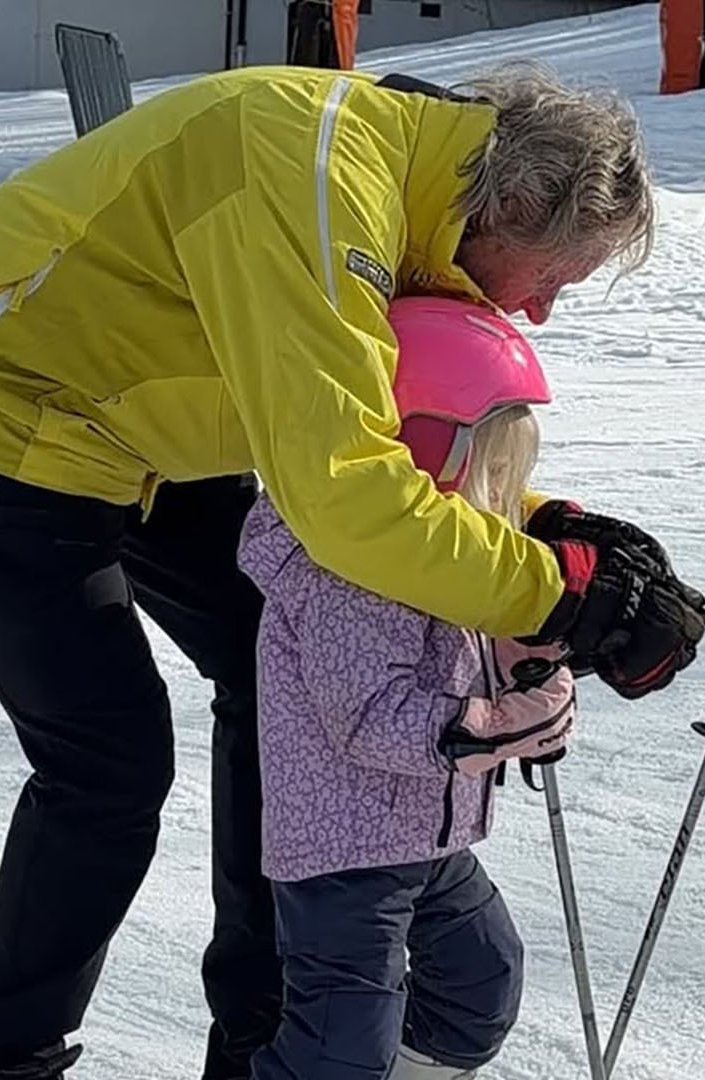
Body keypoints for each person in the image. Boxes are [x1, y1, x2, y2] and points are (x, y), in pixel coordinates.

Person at [0, 59, 705, 1080]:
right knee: (107, 765)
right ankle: (4, 1063)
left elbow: (389, 443)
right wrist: (558, 595)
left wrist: (550, 532)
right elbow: (348, 495)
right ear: (515, 208)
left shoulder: (421, 204)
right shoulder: (319, 178)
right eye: (555, 280)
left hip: (164, 418)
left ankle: (261, 1041)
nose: (538, 313)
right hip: (2, 393)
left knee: (281, 680)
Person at [238, 296, 579, 1080]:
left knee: (478, 986)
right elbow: (369, 717)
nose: (502, 501)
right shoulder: (348, 569)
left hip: (426, 834)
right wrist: (497, 724)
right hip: (342, 849)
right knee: (340, 1046)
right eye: (494, 474)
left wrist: (528, 660)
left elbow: (458, 653)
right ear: (425, 452)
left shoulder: (434, 553)